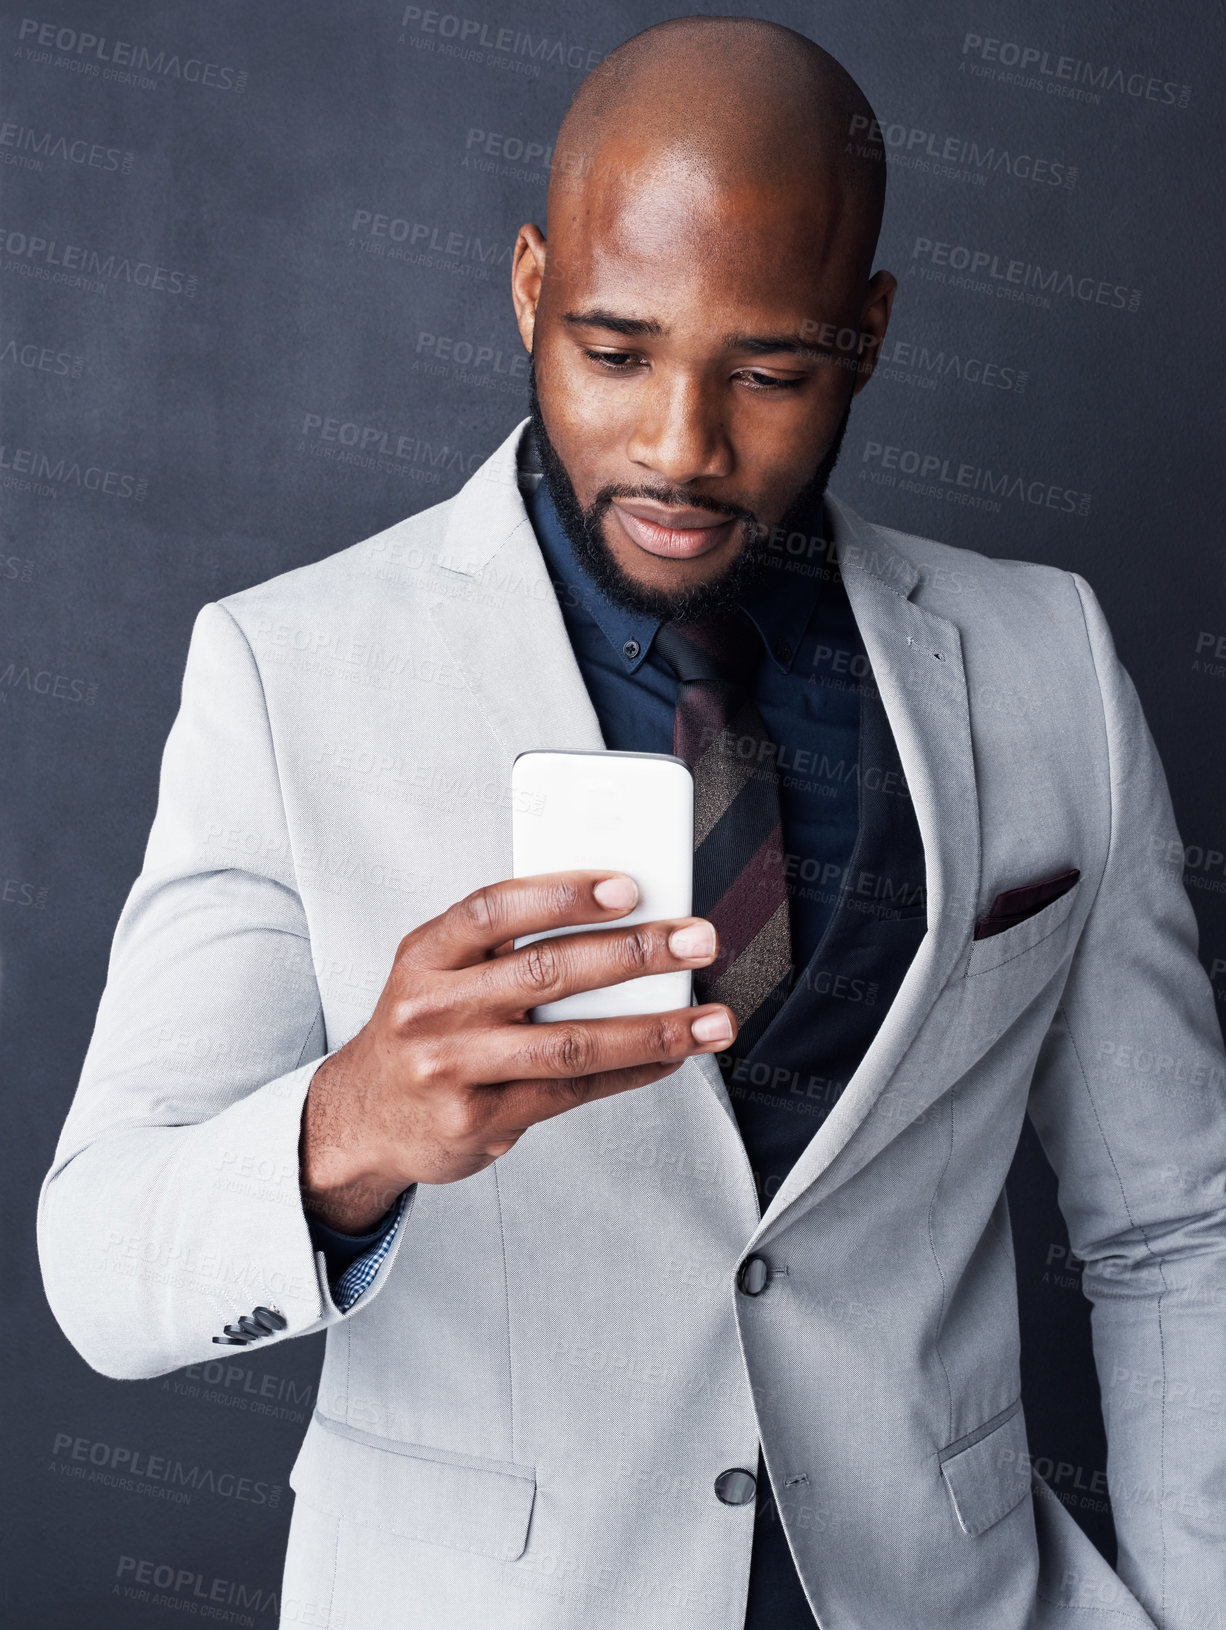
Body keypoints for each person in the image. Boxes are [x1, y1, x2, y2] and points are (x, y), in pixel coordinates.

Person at [38, 17, 1225, 1629]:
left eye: (769, 370)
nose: (681, 445)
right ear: (529, 286)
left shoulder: (1045, 662)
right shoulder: (286, 668)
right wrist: (353, 1128)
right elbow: (102, 1265)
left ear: (867, 336)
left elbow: (1173, 1226)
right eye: (614, 351)